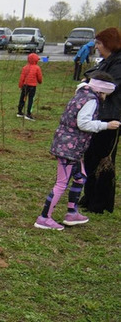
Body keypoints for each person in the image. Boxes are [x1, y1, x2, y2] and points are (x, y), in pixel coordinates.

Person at [34, 74, 120, 231]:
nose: (106, 98)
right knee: (62, 183)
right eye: (106, 94)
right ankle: (44, 218)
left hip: (70, 145)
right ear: (102, 90)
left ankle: (72, 213)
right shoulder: (92, 100)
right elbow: (83, 123)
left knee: (80, 177)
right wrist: (105, 125)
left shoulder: (82, 93)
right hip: (69, 147)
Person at [79, 27, 121, 214]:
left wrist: (89, 84)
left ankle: (100, 202)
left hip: (110, 117)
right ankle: (89, 197)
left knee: (104, 159)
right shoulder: (107, 61)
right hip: (97, 115)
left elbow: (110, 85)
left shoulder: (118, 62)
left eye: (99, 43)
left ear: (109, 43)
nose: (96, 46)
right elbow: (95, 76)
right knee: (91, 157)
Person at [17, 52, 43, 120]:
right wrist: (40, 81)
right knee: (31, 99)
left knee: (23, 97)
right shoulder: (37, 68)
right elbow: (39, 77)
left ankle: (19, 111)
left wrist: (20, 85)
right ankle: (28, 114)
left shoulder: (25, 67)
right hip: (32, 86)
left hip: (25, 86)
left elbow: (22, 77)